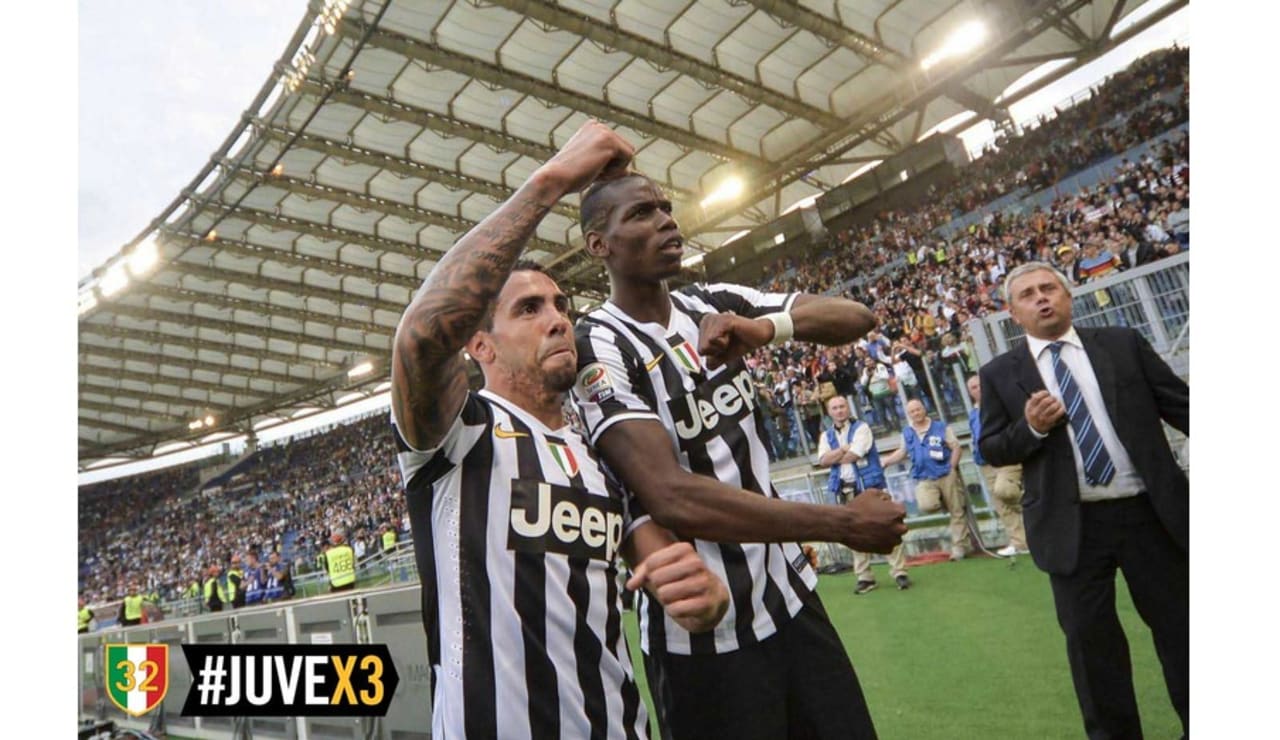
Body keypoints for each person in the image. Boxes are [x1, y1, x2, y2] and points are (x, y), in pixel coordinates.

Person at [388, 120, 730, 738]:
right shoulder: (459, 435)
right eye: (529, 308)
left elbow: (673, 575)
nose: (557, 319)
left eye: (561, 305)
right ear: (481, 345)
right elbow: (420, 336)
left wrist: (703, 596)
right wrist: (551, 181)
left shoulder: (600, 457)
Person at [573, 166, 907, 739]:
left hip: (792, 602)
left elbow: (857, 317)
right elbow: (671, 496)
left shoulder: (714, 301)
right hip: (701, 640)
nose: (666, 220)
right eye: (642, 213)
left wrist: (768, 329)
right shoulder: (598, 345)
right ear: (599, 245)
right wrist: (844, 523)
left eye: (665, 207)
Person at [977, 261, 1188, 739]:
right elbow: (991, 447)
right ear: (1013, 313)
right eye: (1028, 294)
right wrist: (1031, 427)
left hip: (1150, 514)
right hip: (1071, 528)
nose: (1041, 298)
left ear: (1068, 296)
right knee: (1093, 650)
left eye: (1049, 288)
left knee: (1183, 631)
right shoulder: (999, 373)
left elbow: (1181, 405)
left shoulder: (1122, 343)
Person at [817, 395, 910, 594]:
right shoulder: (826, 435)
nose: (839, 410)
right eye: (835, 408)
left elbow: (854, 455)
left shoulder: (862, 428)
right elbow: (823, 461)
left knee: (887, 527)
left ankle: (899, 572)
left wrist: (836, 455)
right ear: (829, 412)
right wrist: (844, 449)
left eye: (842, 406)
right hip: (845, 489)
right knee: (854, 533)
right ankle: (865, 577)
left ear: (848, 408)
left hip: (870, 487)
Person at [879, 399, 975, 561]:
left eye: (918, 409)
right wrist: (886, 461)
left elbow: (956, 447)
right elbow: (902, 452)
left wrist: (952, 467)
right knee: (926, 505)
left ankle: (959, 546)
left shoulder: (941, 427)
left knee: (957, 510)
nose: (916, 413)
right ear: (908, 414)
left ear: (924, 409)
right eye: (912, 411)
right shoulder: (907, 432)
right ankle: (941, 500)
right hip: (924, 476)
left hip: (945, 473)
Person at [966, 375, 1027, 557]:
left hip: (1005, 457)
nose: (978, 389)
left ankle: (1037, 505)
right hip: (985, 462)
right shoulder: (973, 414)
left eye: (980, 385)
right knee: (1001, 505)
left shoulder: (999, 404)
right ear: (970, 392)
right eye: (974, 387)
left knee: (1004, 490)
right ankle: (1020, 542)